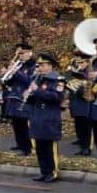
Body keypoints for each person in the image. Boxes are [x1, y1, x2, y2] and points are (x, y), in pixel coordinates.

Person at [25, 53, 64, 182]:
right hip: (38, 117)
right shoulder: (38, 79)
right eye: (39, 65)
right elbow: (35, 98)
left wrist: (37, 91)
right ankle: (43, 171)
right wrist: (28, 96)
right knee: (40, 147)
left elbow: (56, 98)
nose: (40, 68)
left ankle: (52, 172)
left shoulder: (58, 79)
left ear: (50, 66)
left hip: (50, 117)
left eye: (42, 65)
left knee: (49, 147)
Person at [0, 43, 35, 155]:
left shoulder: (34, 66)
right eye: (19, 53)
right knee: (16, 124)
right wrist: (7, 74)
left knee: (24, 124)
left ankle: (28, 148)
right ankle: (20, 144)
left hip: (24, 98)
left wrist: (16, 72)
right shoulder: (19, 65)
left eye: (22, 53)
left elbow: (30, 81)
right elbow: (9, 82)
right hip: (14, 96)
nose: (20, 56)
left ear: (30, 53)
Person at [65, 52, 94, 156]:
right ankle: (82, 145)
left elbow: (89, 91)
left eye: (82, 62)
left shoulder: (89, 73)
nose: (79, 65)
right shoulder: (78, 72)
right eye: (78, 63)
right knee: (79, 126)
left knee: (85, 128)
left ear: (87, 62)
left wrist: (78, 88)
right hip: (76, 103)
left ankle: (87, 148)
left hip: (85, 105)